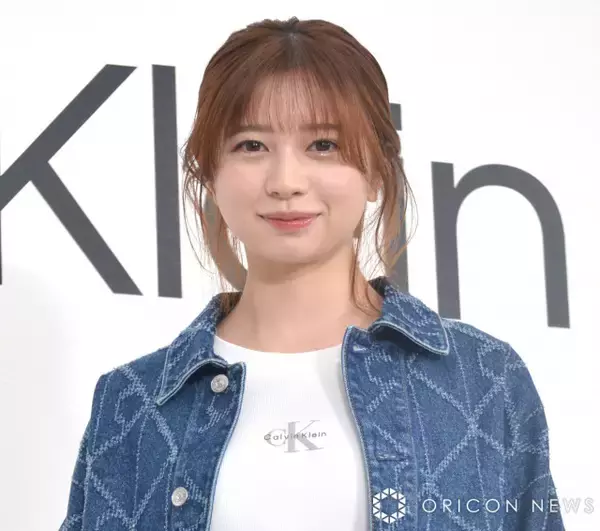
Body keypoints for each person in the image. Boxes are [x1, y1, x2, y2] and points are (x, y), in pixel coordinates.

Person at [59, 17, 564, 531]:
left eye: (323, 144)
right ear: (209, 173)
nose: (286, 181)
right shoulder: (132, 404)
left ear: (376, 170)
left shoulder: (483, 379)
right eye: (251, 145)